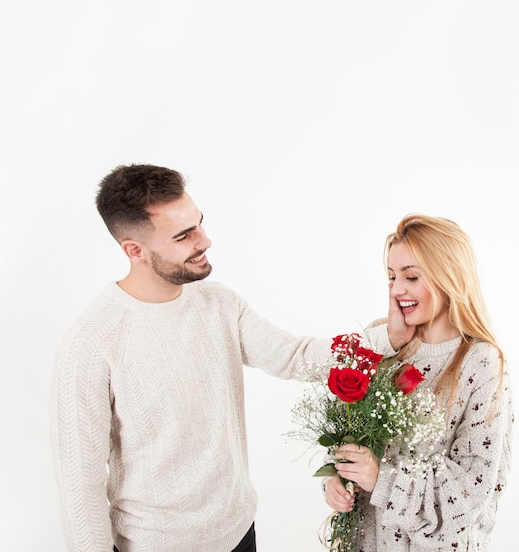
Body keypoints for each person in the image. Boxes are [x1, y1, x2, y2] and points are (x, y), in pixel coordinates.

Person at [50, 163, 410, 552]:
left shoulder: (219, 303)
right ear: (134, 250)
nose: (205, 240)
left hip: (238, 534)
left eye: (199, 223)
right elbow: (80, 486)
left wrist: (387, 337)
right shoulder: (90, 343)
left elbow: (293, 356)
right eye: (184, 235)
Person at [324, 214, 513, 551]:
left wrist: (381, 479)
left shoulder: (481, 363)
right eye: (392, 276)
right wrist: (336, 479)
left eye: (411, 277)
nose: (397, 290)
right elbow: (346, 431)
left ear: (449, 278)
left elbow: (470, 491)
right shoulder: (383, 342)